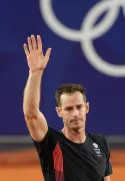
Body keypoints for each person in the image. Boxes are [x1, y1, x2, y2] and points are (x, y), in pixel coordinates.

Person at [22, 34, 113, 181]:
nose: (76, 113)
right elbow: (31, 114)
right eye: (69, 109)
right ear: (59, 112)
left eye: (79, 107)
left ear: (87, 108)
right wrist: (35, 73)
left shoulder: (101, 143)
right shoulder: (51, 143)